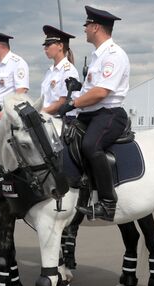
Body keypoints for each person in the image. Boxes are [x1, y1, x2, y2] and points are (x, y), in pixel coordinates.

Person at [57, 5, 130, 222]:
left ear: (96, 27)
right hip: (89, 114)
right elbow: (92, 88)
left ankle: (108, 202)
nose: (85, 29)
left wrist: (72, 103)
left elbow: (101, 92)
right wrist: (78, 86)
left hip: (108, 114)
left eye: (87, 25)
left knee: (91, 145)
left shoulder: (114, 55)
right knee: (63, 140)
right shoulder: (97, 56)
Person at [40, 25, 80, 117]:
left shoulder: (68, 70)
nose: (45, 48)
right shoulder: (49, 71)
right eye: (45, 45)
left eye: (48, 45)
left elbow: (63, 102)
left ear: (60, 46)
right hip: (48, 119)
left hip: (62, 121)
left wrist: (41, 112)